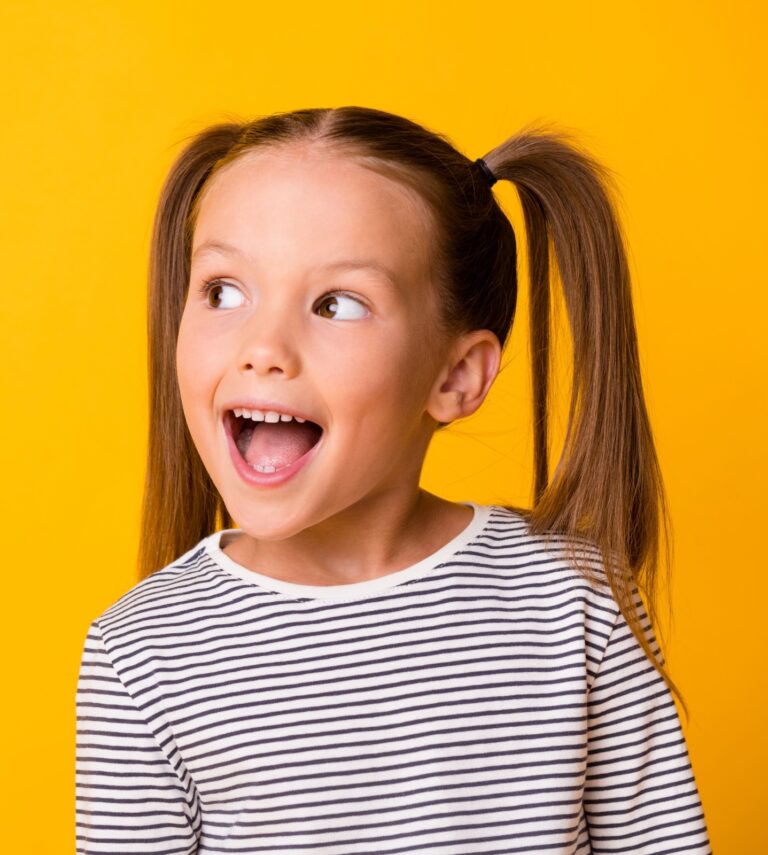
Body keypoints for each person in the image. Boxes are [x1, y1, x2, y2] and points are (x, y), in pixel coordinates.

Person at [75, 107, 712, 854]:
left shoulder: (573, 600)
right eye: (223, 291)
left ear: (456, 376)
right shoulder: (142, 652)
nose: (263, 347)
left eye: (335, 304)